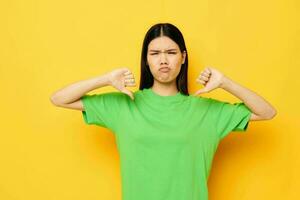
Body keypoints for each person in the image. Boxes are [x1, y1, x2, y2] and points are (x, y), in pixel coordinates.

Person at [50, 23, 277, 200]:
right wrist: (106, 79)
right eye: (155, 53)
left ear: (183, 57)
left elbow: (267, 112)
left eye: (171, 52)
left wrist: (225, 82)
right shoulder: (124, 105)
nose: (163, 60)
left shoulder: (205, 110)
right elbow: (59, 99)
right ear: (146, 60)